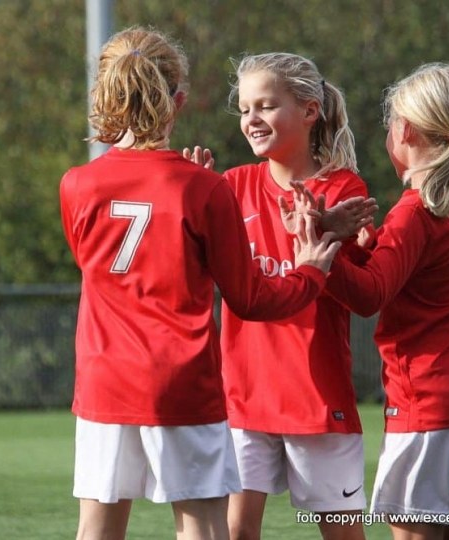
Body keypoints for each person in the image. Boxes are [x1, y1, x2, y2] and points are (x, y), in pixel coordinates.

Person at [59, 28, 343, 540]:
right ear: (178, 100)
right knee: (203, 528)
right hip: (181, 382)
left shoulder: (76, 184)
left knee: (96, 531)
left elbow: (95, 266)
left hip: (103, 380)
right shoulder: (205, 188)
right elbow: (252, 298)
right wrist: (311, 272)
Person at [304, 62, 449, 540]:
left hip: (433, 401)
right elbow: (422, 274)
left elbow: (370, 296)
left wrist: (318, 257)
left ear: (402, 130)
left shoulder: (414, 211)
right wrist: (365, 246)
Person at [187, 52, 375, 540]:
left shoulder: (342, 187)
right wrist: (187, 192)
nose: (251, 119)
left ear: (310, 111)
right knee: (235, 531)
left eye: (266, 106)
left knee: (341, 532)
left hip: (316, 396)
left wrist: (324, 239)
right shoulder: (230, 186)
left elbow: (361, 289)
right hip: (243, 397)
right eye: (245, 109)